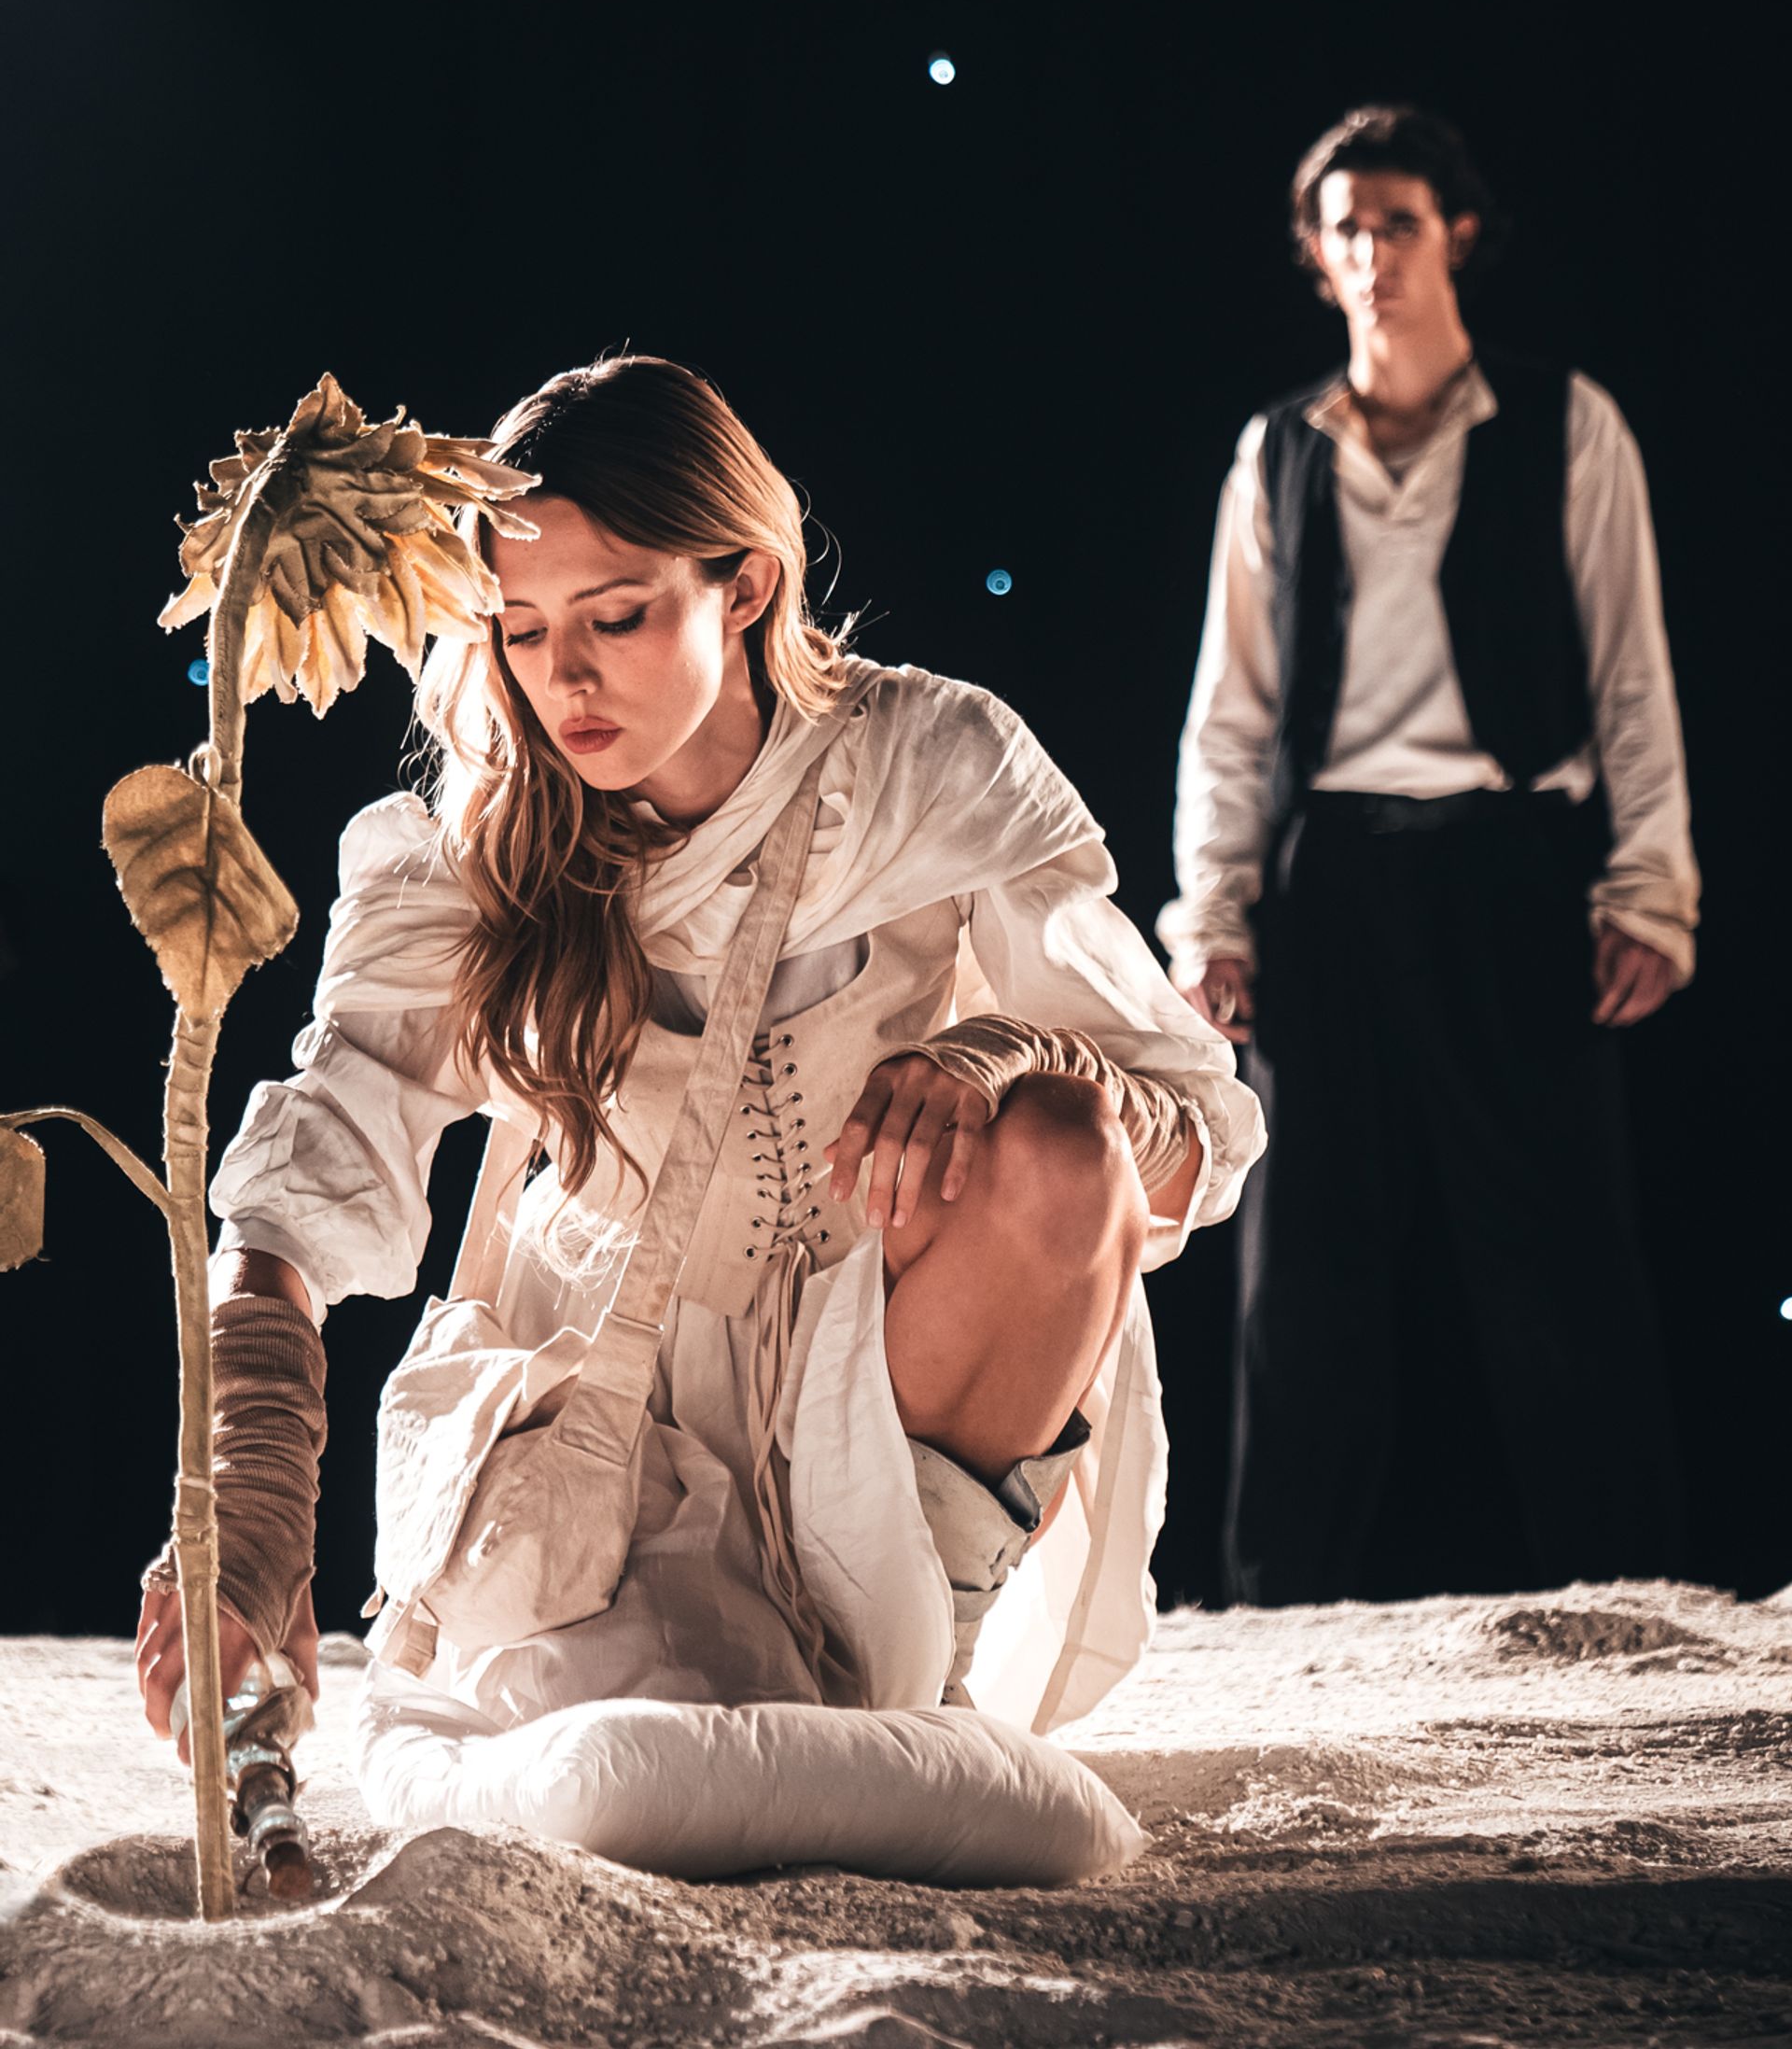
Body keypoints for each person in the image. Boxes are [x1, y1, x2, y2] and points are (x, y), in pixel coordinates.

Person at [135, 354, 1264, 1794]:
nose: (567, 681)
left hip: (894, 1355)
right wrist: (252, 1500)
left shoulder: (919, 765)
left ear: (743, 585)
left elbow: (1200, 1136)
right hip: (611, 1416)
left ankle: (924, 1657)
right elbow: (303, 1190)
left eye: (617, 615)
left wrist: (1003, 1051)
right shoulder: (465, 839)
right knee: (616, 1775)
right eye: (524, 630)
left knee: (1061, 1140)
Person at [1157, 105, 1698, 1607]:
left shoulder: (1566, 424)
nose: (1370, 254)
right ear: (1316, 259)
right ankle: (1275, 1609)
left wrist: (1651, 889)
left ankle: (1636, 1603)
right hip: (1327, 880)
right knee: (1304, 1267)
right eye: (1343, 230)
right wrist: (1215, 920)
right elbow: (1231, 711)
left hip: (1511, 864)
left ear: (1456, 232)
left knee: (1562, 1253)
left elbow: (1634, 680)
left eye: (1396, 222)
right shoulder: (1277, 455)